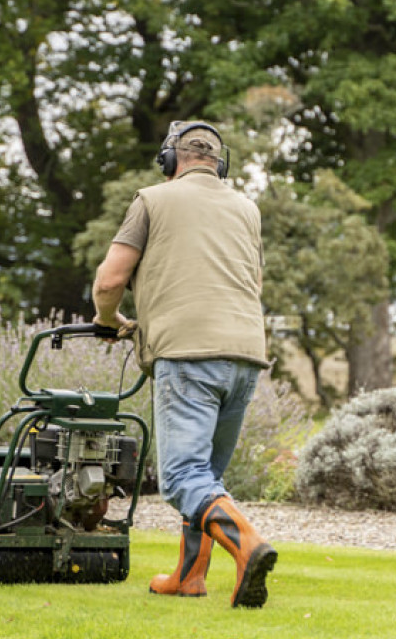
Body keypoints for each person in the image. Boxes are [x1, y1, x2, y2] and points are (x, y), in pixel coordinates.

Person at [91, 120, 277, 608]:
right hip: (245, 356)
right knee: (206, 476)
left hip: (188, 355)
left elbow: (111, 279)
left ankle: (249, 544)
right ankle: (189, 576)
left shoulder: (152, 200)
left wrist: (108, 320)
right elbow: (252, 285)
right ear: (220, 163)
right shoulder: (247, 209)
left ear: (170, 160)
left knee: (180, 477)